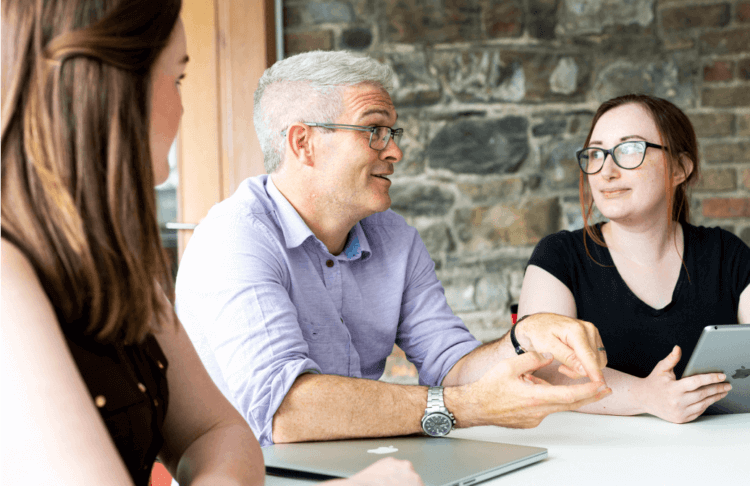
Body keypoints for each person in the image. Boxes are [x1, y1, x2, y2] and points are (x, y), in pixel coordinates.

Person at [0, 2, 424, 485]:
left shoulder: (117, 260)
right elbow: (275, 413)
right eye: (177, 79)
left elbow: (216, 432)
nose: (182, 106)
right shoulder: (6, 275)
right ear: (113, 83)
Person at [175, 50, 612, 448]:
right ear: (302, 143)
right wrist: (467, 406)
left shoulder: (395, 238)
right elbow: (286, 412)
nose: (396, 150)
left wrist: (523, 338)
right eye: (374, 131)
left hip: (362, 464)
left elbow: (449, 363)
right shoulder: (233, 239)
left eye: (391, 132)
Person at [518, 94, 750, 424]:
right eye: (596, 154)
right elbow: (546, 368)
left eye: (629, 149)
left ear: (680, 168)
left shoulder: (727, 253)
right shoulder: (559, 257)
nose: (606, 171)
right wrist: (646, 395)